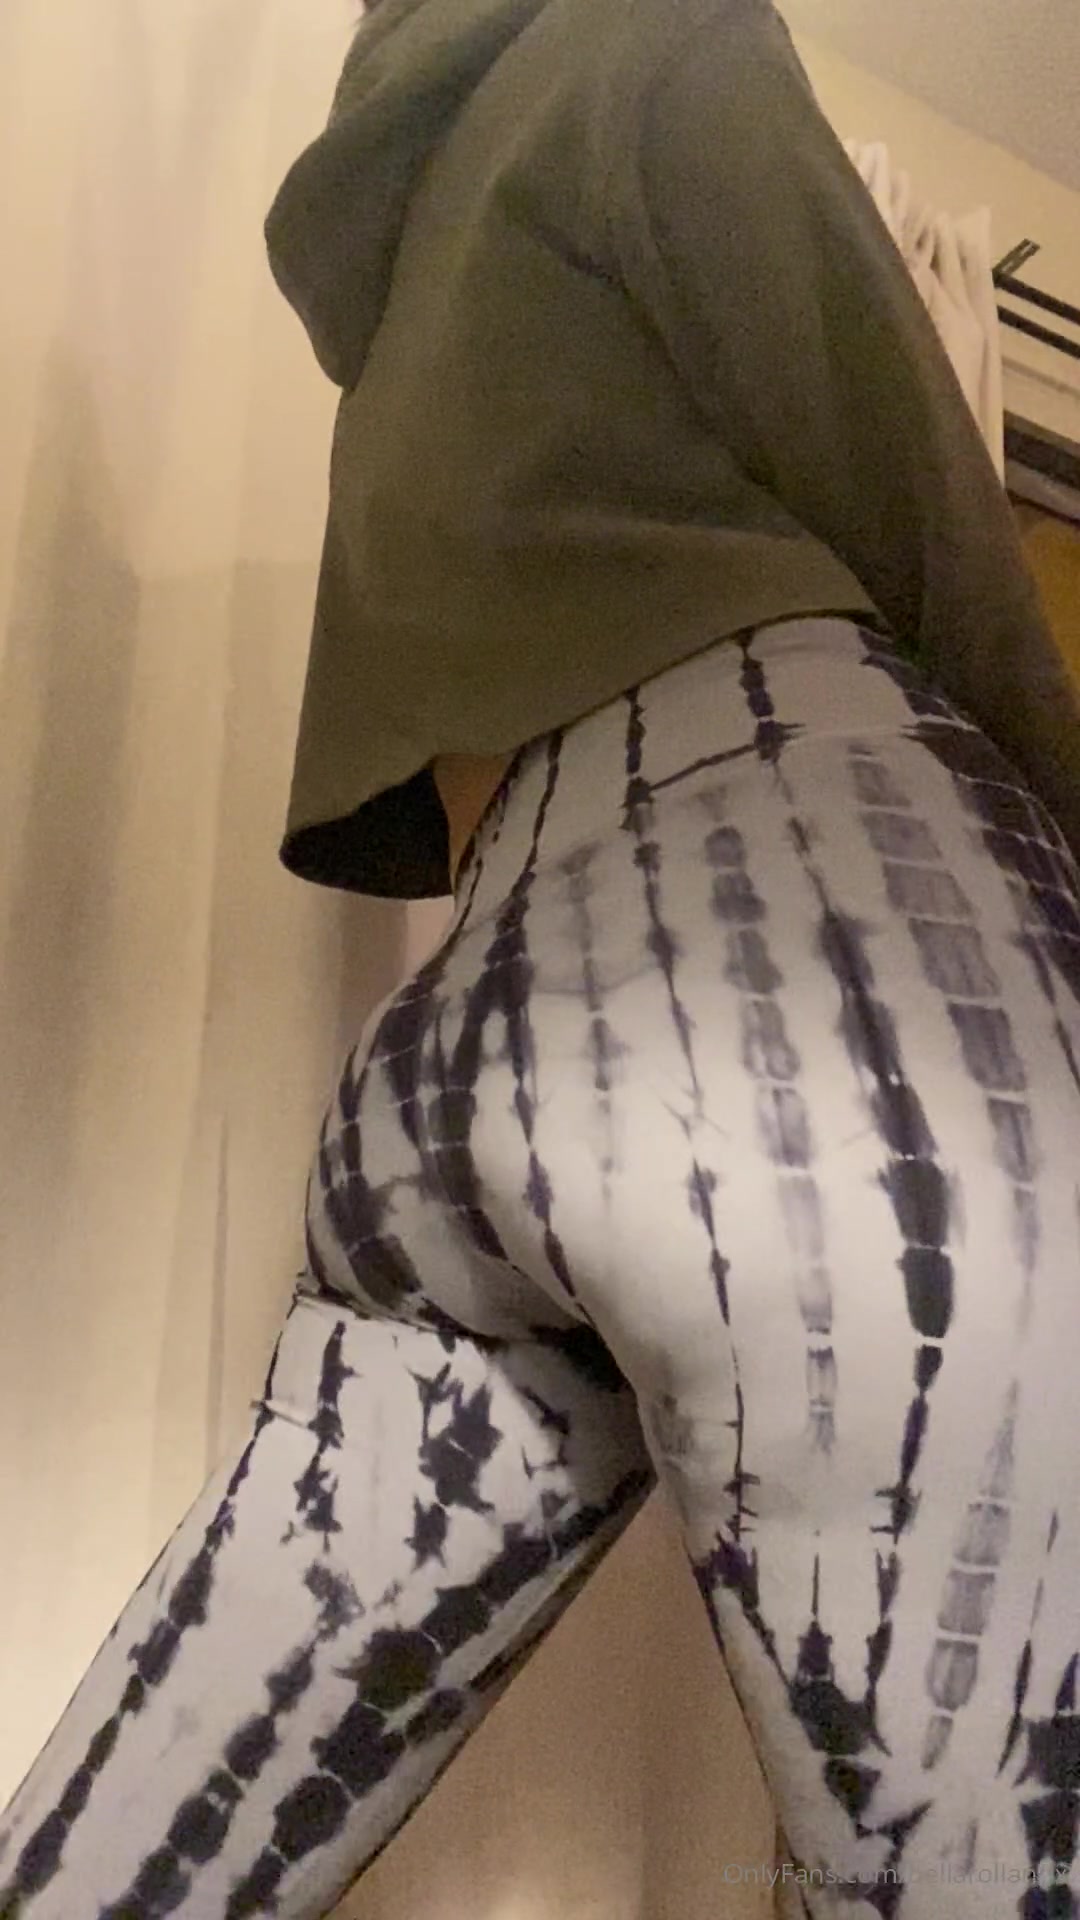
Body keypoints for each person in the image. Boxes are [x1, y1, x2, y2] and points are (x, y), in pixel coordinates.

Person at [2, 0, 1079, 1912]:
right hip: (814, 942)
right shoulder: (655, 33)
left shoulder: (408, 239)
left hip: (481, 1012)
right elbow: (912, 483)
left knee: (127, 1869)